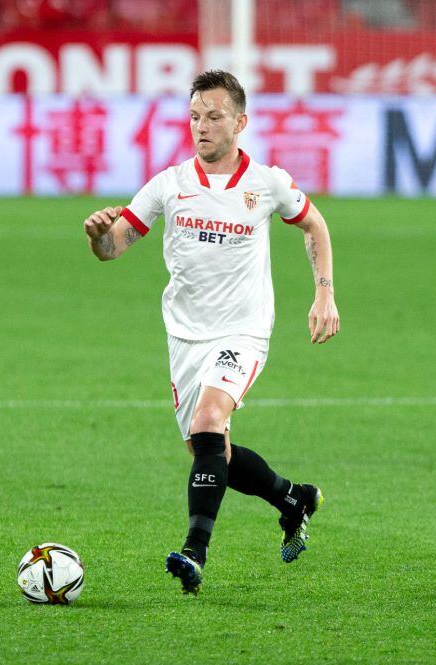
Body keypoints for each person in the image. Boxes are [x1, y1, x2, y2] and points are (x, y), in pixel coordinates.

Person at [82, 69, 340, 594]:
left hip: (243, 332)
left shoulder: (266, 182)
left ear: (240, 122)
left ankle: (194, 554)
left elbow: (314, 225)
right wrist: (97, 237)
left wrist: (324, 292)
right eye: (195, 115)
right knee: (212, 451)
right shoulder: (169, 184)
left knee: (209, 419)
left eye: (214, 116)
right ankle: (294, 498)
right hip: (185, 337)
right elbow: (115, 248)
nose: (201, 126)